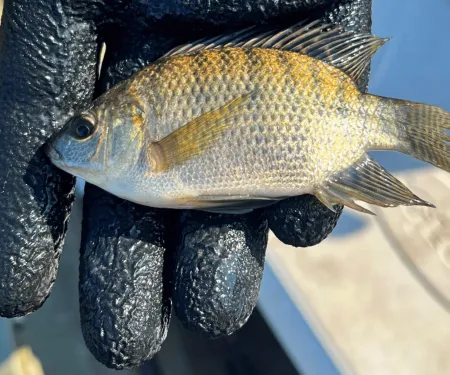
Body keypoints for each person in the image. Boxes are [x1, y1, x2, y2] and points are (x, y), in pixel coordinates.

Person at [0, 0, 372, 369]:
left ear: (133, 121)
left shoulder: (146, 128)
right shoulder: (140, 120)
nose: (69, 142)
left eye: (85, 130)